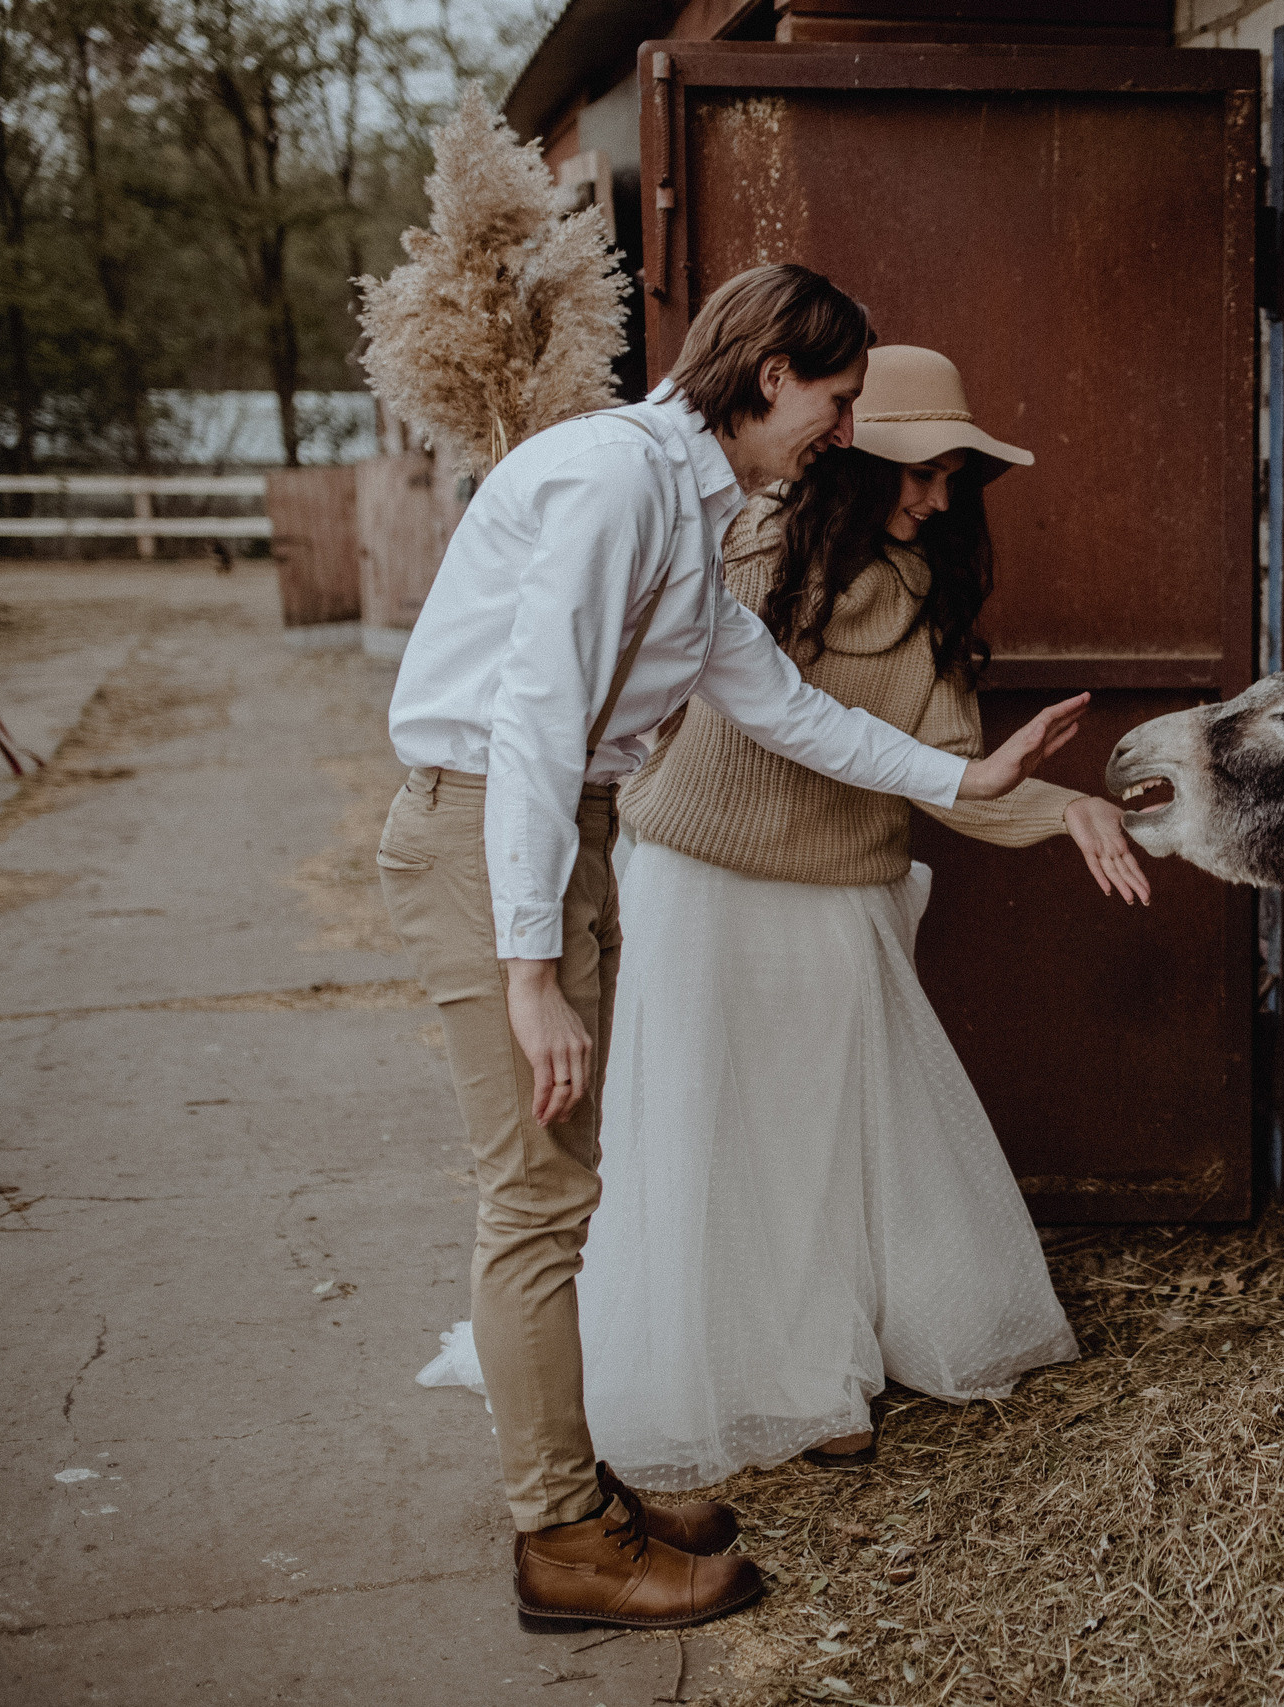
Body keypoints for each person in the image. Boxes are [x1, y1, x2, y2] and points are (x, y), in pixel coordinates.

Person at [376, 268, 1088, 1636]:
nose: (843, 426)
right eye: (836, 397)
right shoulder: (615, 486)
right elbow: (531, 719)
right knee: (534, 1194)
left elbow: (779, 706)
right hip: (490, 825)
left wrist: (973, 776)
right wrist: (531, 970)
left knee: (564, 1184)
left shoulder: (690, 509)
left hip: (552, 824)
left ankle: (577, 1488)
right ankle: (561, 1541)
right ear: (769, 376)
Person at [574, 345, 1146, 1491]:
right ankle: (761, 1381)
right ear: (857, 454)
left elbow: (944, 775)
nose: (941, 499)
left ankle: (820, 1361)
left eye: (953, 478)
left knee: (814, 1140)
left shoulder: (923, 592)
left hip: (843, 892)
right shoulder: (740, 548)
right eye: (923, 471)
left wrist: (1063, 808)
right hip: (700, 878)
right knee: (705, 1131)